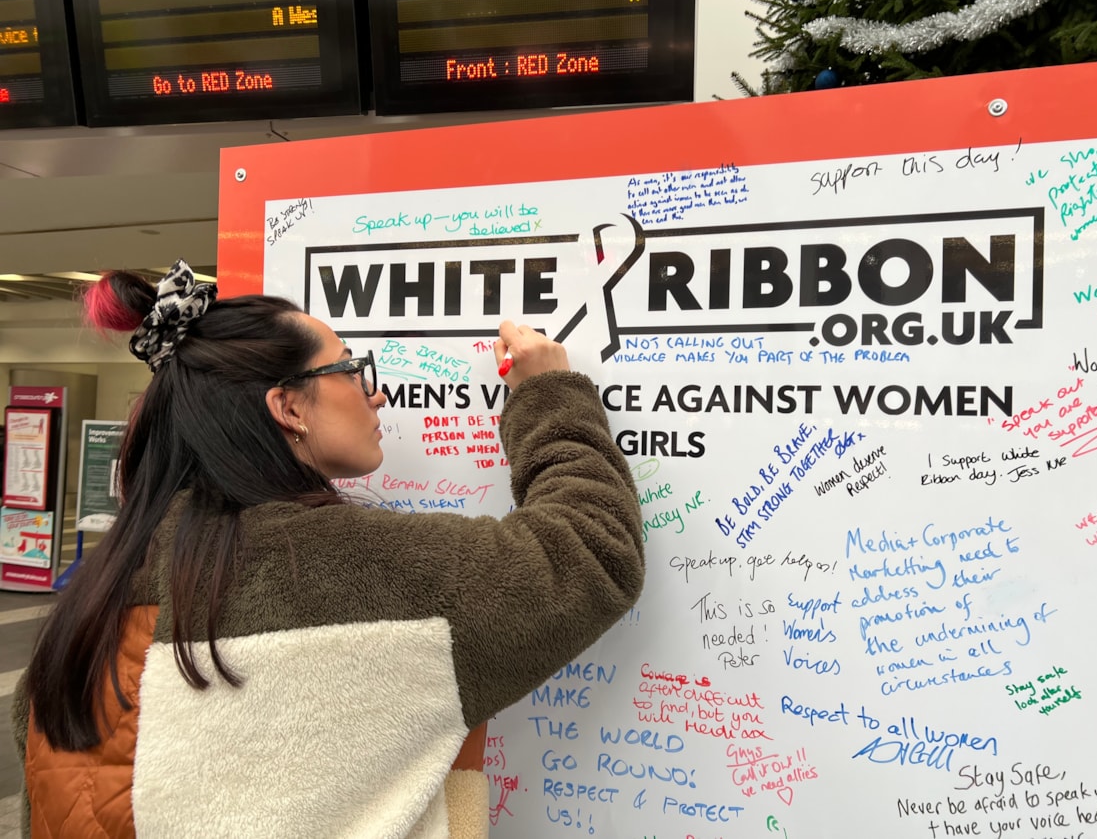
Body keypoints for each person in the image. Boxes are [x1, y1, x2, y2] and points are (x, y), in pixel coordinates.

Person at [11, 261, 645, 838]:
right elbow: (592, 550)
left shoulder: (91, 599)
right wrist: (548, 394)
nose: (376, 393)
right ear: (288, 406)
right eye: (349, 369)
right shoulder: (350, 566)